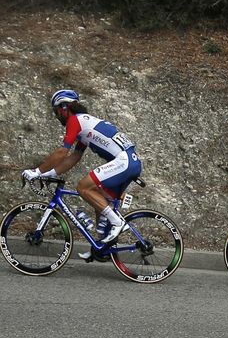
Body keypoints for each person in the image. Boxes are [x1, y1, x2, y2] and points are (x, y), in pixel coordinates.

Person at [21, 89, 142, 256]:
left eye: (56, 111)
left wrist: (36, 171)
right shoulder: (85, 124)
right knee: (99, 199)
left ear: (64, 107)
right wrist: (49, 173)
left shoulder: (75, 121)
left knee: (83, 187)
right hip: (130, 161)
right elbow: (75, 157)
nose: (57, 117)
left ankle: (117, 223)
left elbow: (62, 152)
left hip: (124, 161)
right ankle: (102, 249)